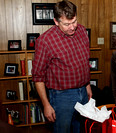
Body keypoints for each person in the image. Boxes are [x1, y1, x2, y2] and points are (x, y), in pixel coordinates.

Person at [31, 0, 92, 133]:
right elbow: (37, 76)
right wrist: (46, 104)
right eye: (67, 24)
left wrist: (87, 86)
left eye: (74, 21)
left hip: (83, 91)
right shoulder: (45, 41)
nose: (72, 27)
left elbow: (84, 61)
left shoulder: (81, 30)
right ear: (56, 21)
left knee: (81, 128)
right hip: (61, 96)